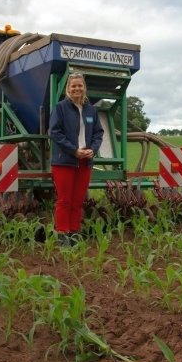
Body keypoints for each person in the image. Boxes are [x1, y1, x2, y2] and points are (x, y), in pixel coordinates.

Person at [48, 72, 104, 247]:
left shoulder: (91, 110)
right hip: (64, 160)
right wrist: (73, 150)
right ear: (68, 89)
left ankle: (74, 232)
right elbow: (54, 132)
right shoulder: (60, 108)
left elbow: (98, 133)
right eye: (73, 86)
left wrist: (92, 150)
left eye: (80, 85)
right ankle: (62, 235)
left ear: (84, 88)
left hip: (84, 162)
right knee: (65, 199)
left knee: (78, 200)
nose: (77, 88)